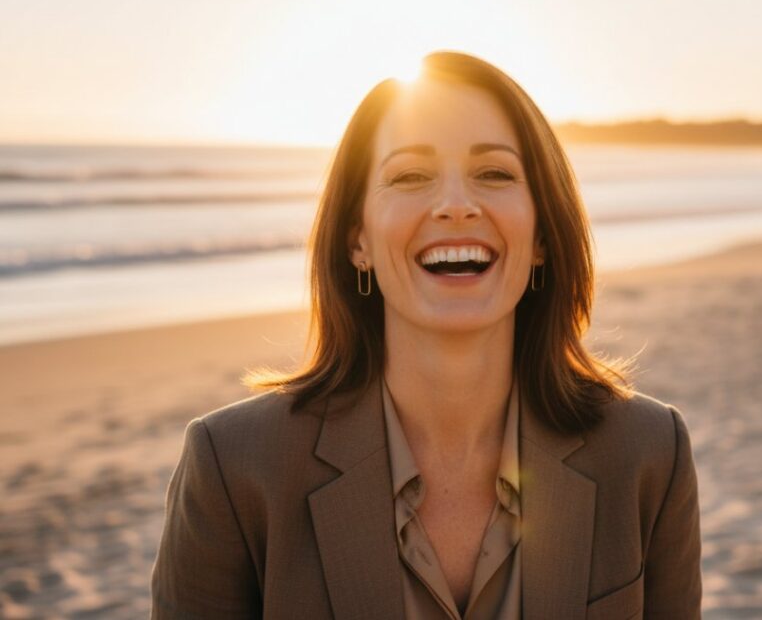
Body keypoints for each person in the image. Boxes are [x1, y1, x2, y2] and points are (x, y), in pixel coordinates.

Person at [150, 51, 702, 619]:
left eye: (494, 174)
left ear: (541, 235)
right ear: (358, 240)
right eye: (410, 176)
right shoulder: (233, 466)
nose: (456, 206)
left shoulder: (649, 453)